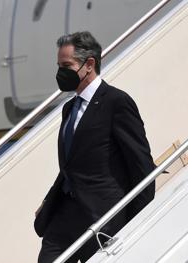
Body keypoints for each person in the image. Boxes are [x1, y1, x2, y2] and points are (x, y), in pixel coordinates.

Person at [34, 31, 155, 263]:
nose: (61, 72)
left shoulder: (116, 102)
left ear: (89, 64)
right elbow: (72, 165)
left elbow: (141, 165)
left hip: (101, 218)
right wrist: (50, 200)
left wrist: (133, 220)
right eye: (59, 65)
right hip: (64, 217)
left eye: (66, 65)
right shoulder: (69, 109)